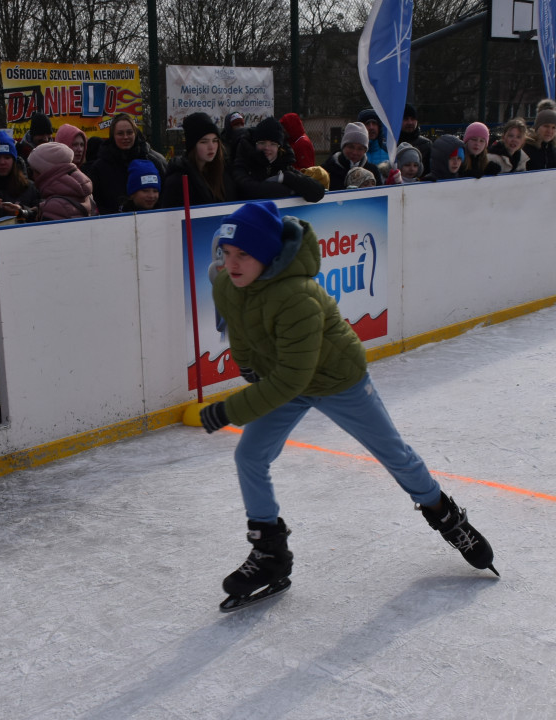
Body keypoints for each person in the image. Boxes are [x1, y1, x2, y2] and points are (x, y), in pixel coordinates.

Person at [198, 199, 497, 607]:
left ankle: (444, 514)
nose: (231, 264)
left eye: (243, 254)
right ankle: (270, 552)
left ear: (267, 256)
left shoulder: (298, 296)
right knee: (250, 455)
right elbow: (241, 330)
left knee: (394, 454)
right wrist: (249, 367)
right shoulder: (225, 282)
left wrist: (231, 409)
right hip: (284, 379)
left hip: (338, 380)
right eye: (227, 253)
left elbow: (293, 378)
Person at [87, 113, 167, 215]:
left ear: (135, 133)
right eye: (120, 133)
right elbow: (95, 202)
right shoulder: (99, 167)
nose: (125, 137)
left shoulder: (153, 161)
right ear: (113, 136)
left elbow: (165, 195)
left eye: (129, 132)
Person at [231, 116, 324, 203]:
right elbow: (247, 190)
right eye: (262, 142)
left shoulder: (283, 164)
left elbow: (318, 192)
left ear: (279, 147)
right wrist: (289, 190)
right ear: (255, 144)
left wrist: (285, 178)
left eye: (273, 144)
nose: (267, 147)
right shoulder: (243, 162)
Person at [160, 112, 236, 209]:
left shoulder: (223, 173)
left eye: (215, 140)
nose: (211, 147)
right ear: (193, 146)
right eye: (204, 142)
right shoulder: (177, 181)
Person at [28, 142, 98, 221]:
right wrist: (42, 208)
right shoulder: (84, 191)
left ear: (42, 172)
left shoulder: (54, 207)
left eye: (32, 171)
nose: (32, 177)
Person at [0, 130, 39, 221]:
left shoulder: (29, 187)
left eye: (7, 157)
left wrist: (21, 211)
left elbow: (40, 216)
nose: (2, 162)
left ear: (14, 160)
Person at [321, 122, 383, 190]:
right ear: (343, 146)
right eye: (351, 147)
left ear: (365, 151)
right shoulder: (327, 170)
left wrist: (392, 182)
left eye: (360, 149)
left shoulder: (372, 171)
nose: (354, 152)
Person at [524, 100, 556, 171]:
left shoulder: (554, 149)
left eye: (554, 127)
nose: (549, 131)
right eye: (546, 126)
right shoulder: (526, 147)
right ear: (537, 127)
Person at [398, 104, 433, 176]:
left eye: (413, 119)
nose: (410, 122)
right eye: (406, 119)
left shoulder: (427, 144)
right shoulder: (391, 144)